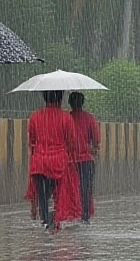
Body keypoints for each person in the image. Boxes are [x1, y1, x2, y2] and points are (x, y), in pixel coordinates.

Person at [26, 90, 83, 231]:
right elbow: (71, 142)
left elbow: (32, 141)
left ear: (44, 97)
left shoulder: (35, 117)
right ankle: (56, 217)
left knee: (42, 193)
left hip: (39, 161)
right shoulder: (66, 118)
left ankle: (45, 220)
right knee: (59, 192)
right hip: (59, 162)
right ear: (61, 98)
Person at [67, 91, 101, 222]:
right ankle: (85, 215)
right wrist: (92, 148)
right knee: (86, 188)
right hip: (86, 160)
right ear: (82, 103)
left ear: (70, 103)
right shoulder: (90, 118)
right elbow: (96, 140)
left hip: (70, 161)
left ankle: (72, 213)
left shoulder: (66, 118)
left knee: (71, 188)